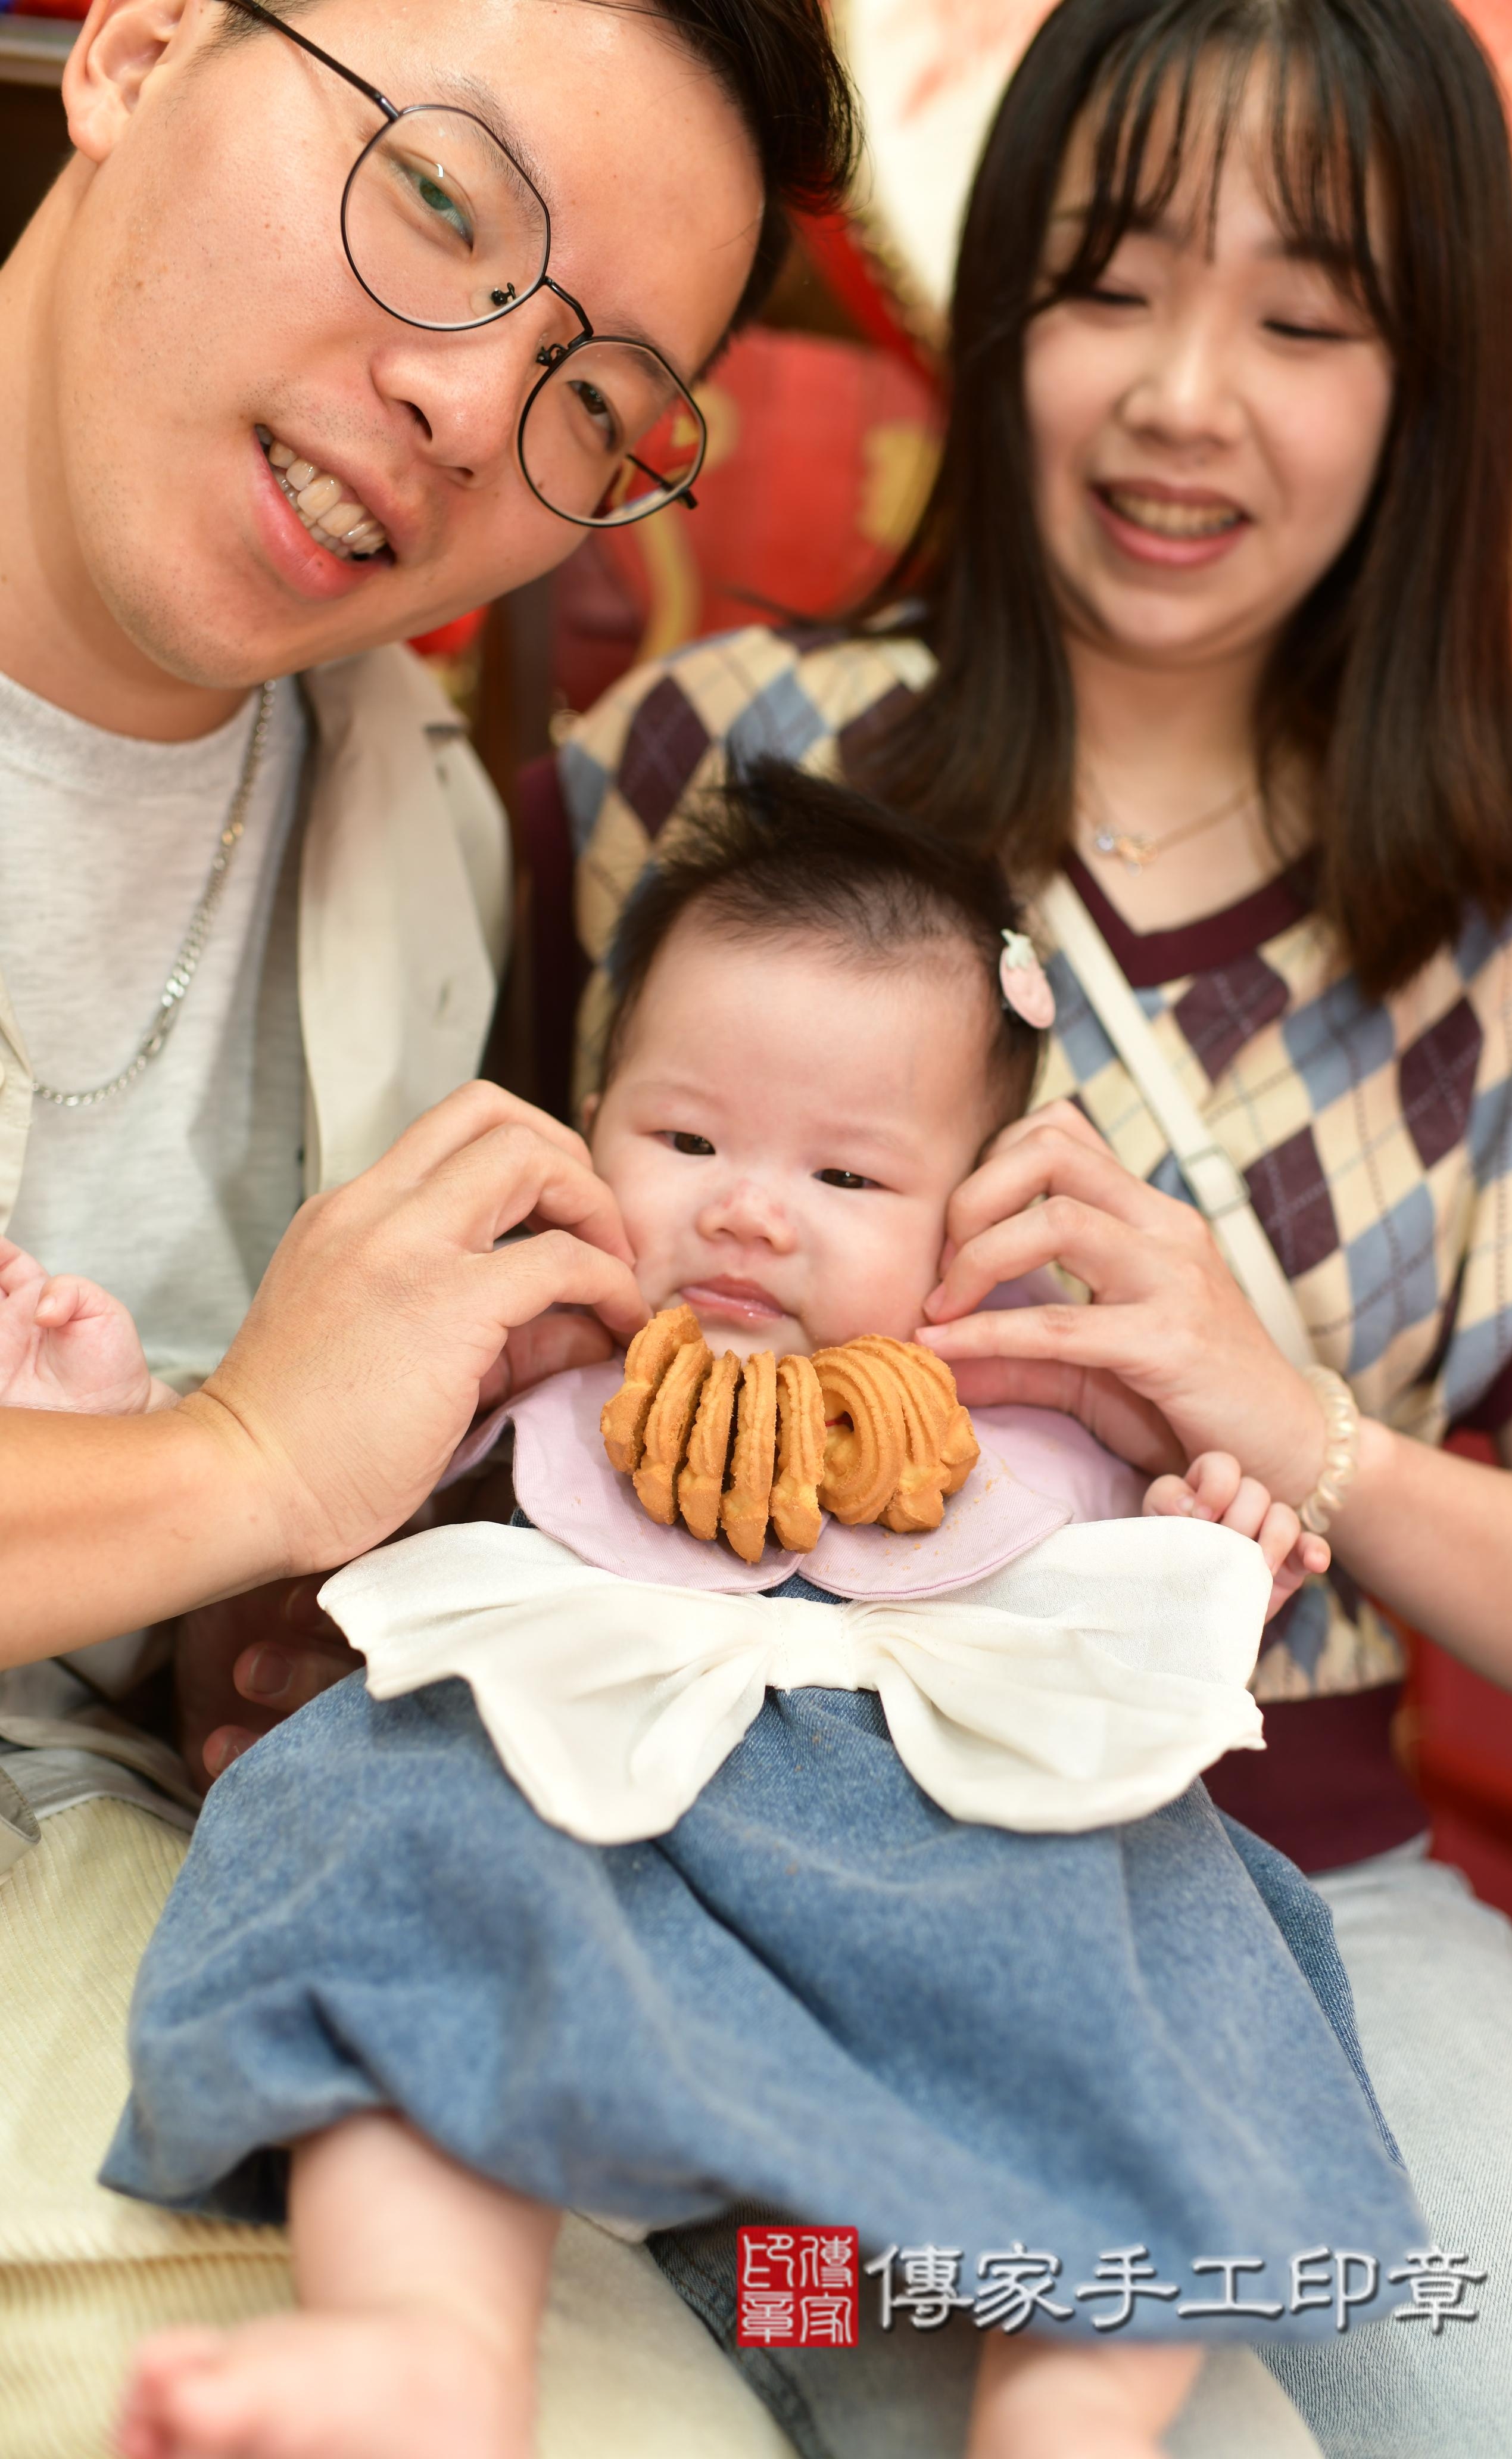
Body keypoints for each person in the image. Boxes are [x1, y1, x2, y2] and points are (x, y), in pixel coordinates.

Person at [559, 0, 1512, 2452]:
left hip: (1306, 1898)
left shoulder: (1488, 975)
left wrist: (1299, 1437)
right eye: (1111, 282)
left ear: (1423, 388)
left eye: (1303, 320)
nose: (1183, 397)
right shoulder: (725, 761)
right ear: (1000, 316)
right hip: (769, 1876)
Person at [76, 769, 1424, 2459]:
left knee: (1151, 1917)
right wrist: (130, 1418)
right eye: (688, 1138)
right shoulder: (543, 1352)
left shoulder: (1039, 1401)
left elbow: (1153, 1625)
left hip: (947, 1874)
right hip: (585, 1839)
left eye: (850, 1177)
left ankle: (1073, 2417)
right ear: (594, 1119)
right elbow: (323, 1513)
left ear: (980, 1220)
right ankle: (424, 2342)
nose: (749, 1207)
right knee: (390, 1816)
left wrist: (1218, 1538)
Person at [0, 0, 855, 2430]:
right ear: (141, 48)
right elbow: (239, 1449)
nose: (479, 411)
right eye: (447, 204)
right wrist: (237, 1467)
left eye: (597, 402)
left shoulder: (418, 830)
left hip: (188, 1900)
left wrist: (279, 1613)